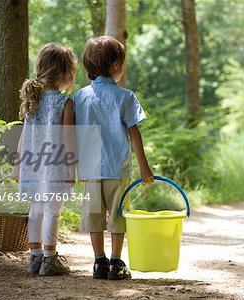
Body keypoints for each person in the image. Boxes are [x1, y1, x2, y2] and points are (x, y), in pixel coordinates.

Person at [73, 36, 154, 280]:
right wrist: (144, 168)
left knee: (94, 215)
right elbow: (134, 133)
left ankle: (99, 262)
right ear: (116, 64)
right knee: (118, 216)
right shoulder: (126, 97)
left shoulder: (79, 97)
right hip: (117, 168)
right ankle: (116, 263)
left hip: (88, 168)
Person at [12, 43, 77, 276]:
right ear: (63, 74)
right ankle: (49, 260)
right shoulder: (64, 102)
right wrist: (71, 170)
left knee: (35, 210)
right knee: (53, 211)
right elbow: (68, 138)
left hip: (32, 165)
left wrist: (17, 164)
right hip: (55, 167)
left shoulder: (33, 98)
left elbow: (24, 134)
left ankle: (34, 259)